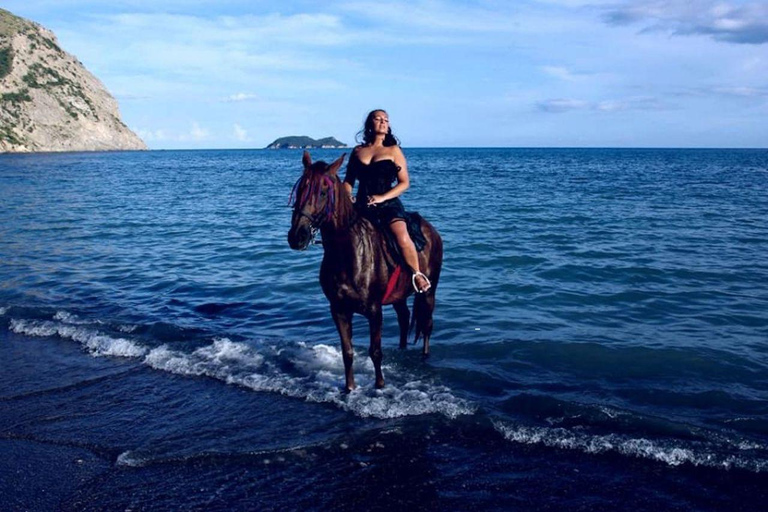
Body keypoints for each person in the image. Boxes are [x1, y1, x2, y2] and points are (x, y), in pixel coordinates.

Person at [343, 109, 431, 293]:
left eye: (386, 120)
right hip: (361, 205)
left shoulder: (393, 150)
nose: (383, 122)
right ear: (370, 124)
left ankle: (417, 274)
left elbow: (404, 183)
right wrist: (347, 196)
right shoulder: (358, 151)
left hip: (388, 204)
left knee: (401, 234)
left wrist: (382, 197)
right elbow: (349, 181)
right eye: (378, 119)